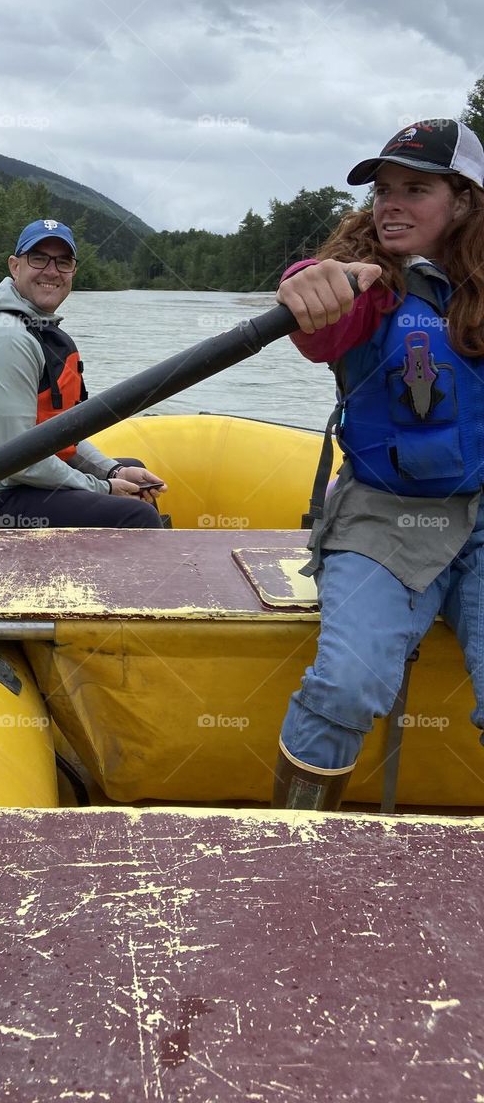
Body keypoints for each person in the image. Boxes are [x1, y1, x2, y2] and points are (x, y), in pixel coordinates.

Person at [273, 118, 484, 809]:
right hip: (382, 515)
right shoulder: (364, 286)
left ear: (465, 200)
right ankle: (294, 840)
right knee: (345, 685)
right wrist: (308, 282)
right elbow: (319, 316)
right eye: (382, 190)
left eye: (414, 189)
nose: (389, 204)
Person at [0, 218, 166, 529]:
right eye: (38, 258)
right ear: (15, 266)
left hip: (11, 484)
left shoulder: (30, 326)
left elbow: (55, 435)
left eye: (63, 262)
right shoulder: (6, 338)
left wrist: (113, 473)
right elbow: (18, 460)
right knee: (136, 514)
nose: (52, 271)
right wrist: (104, 488)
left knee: (132, 471)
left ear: (73, 272)